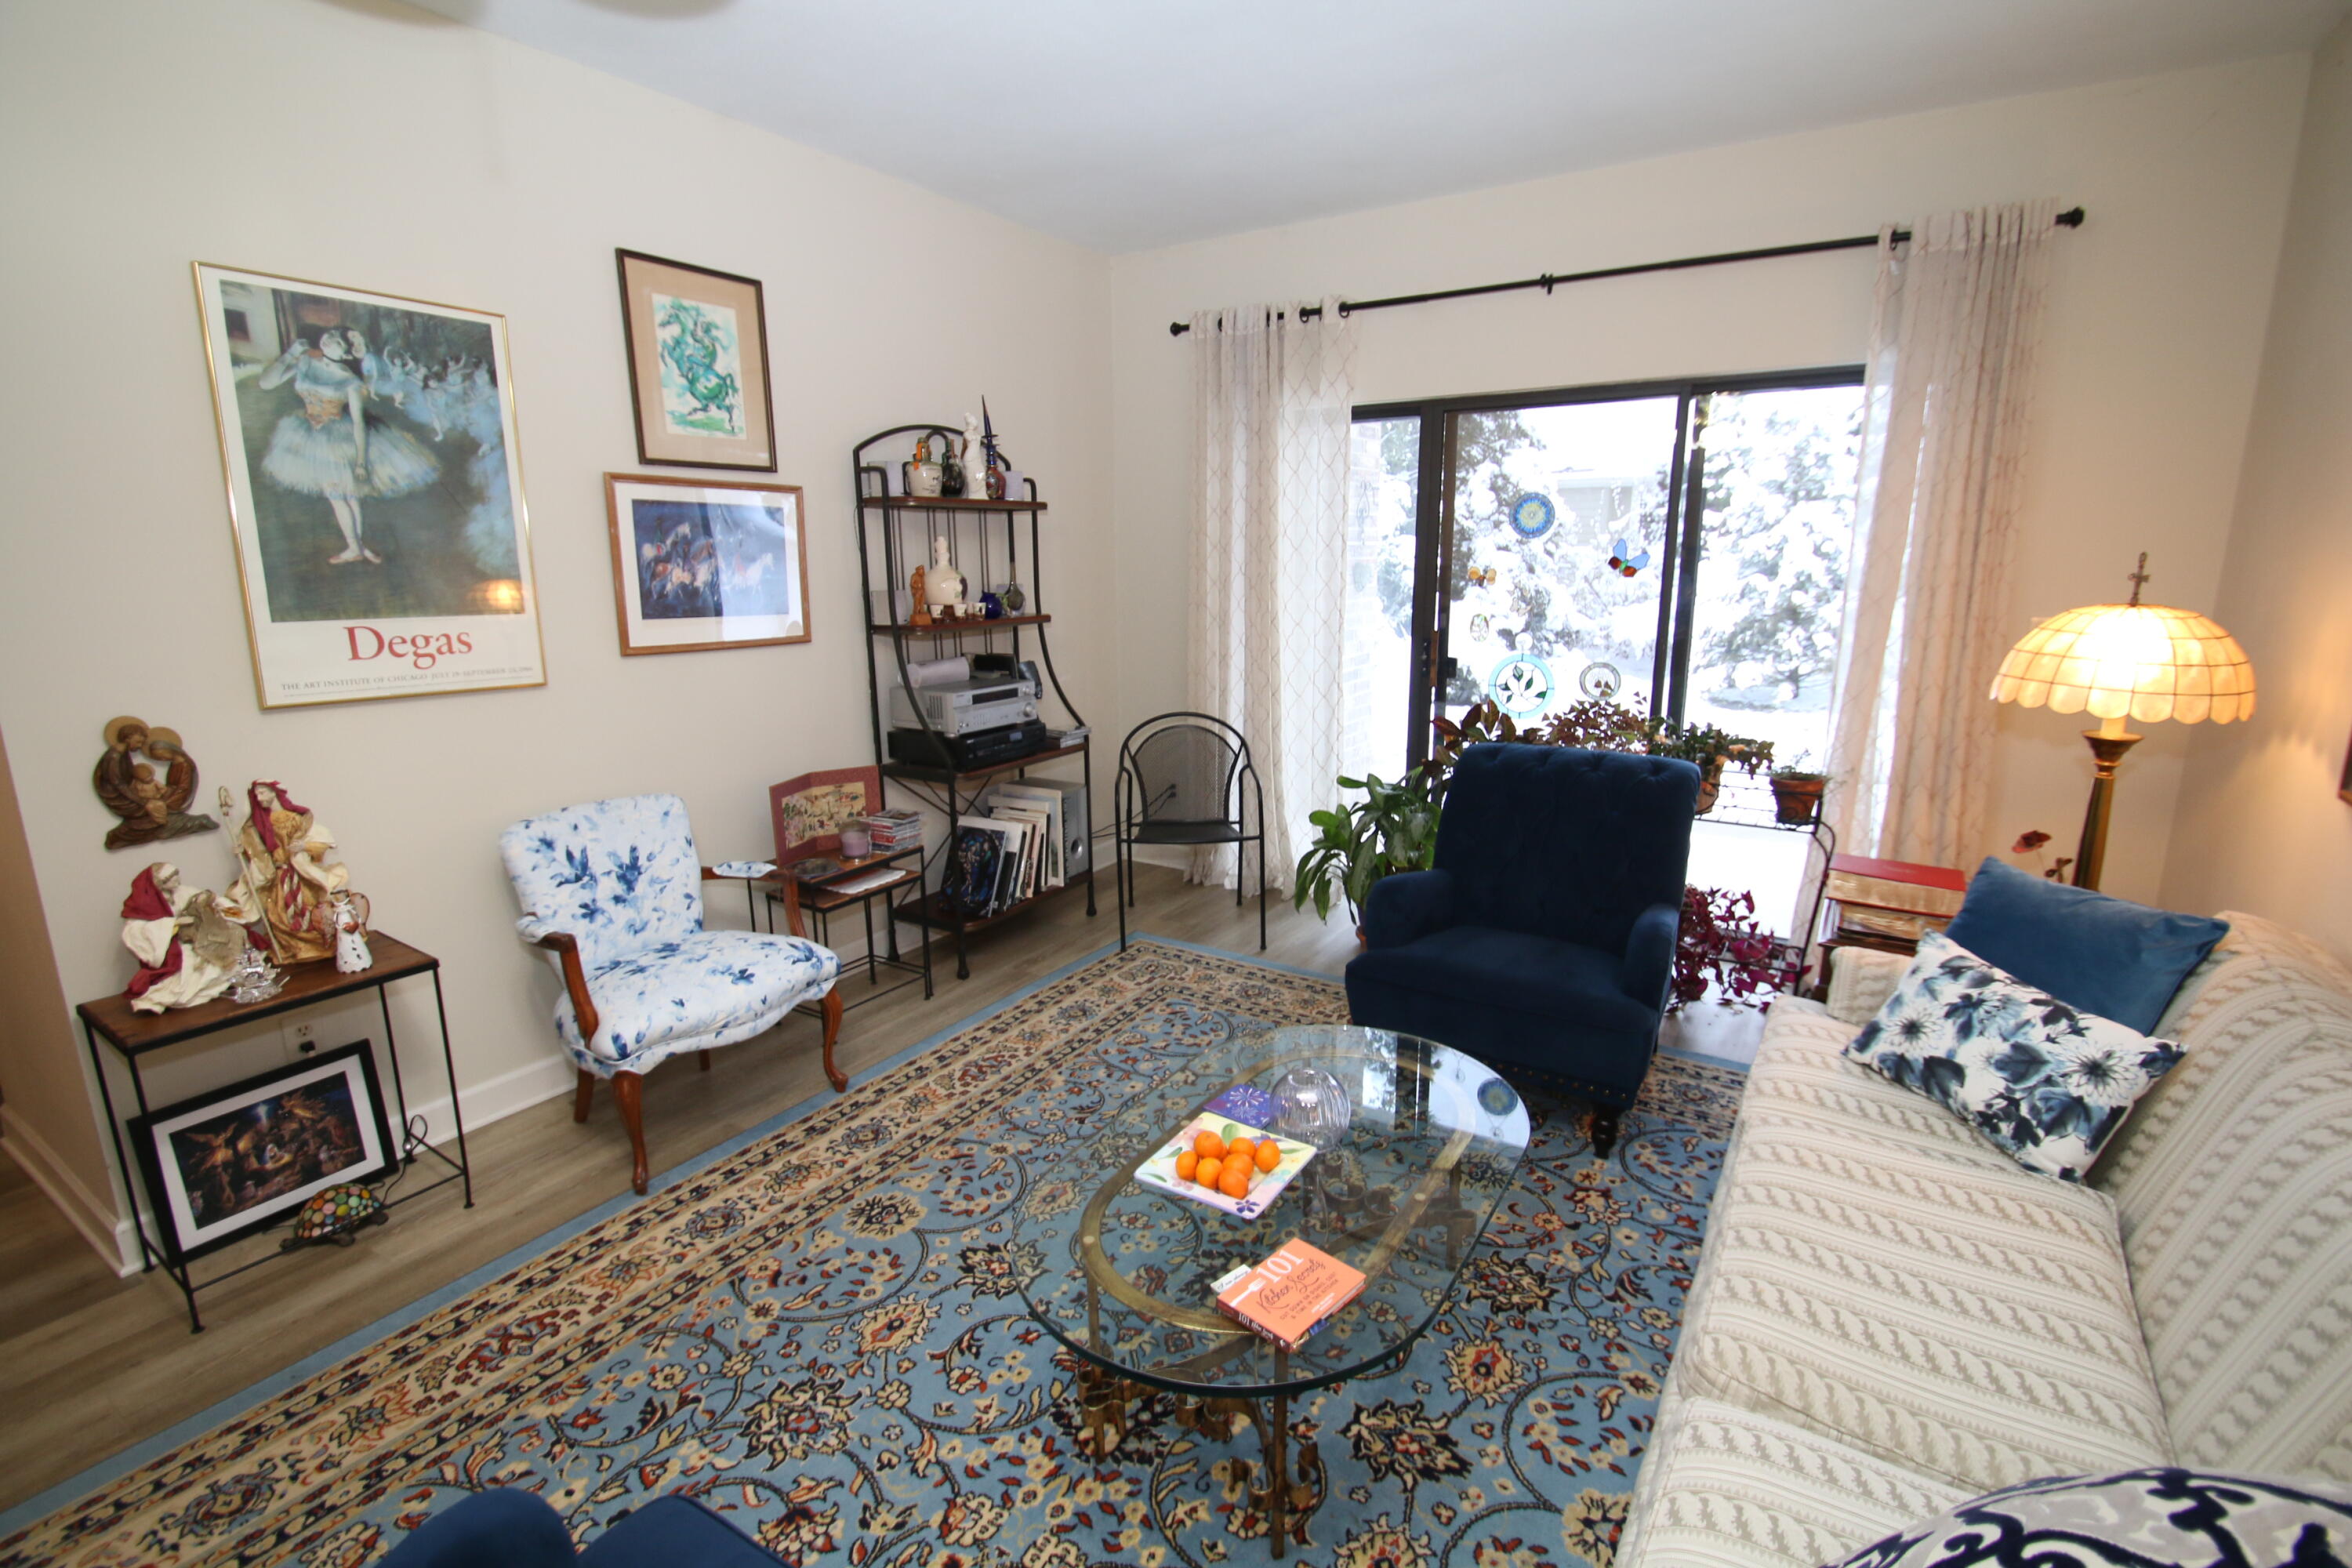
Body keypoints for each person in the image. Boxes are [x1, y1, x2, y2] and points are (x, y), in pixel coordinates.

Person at [255, 328, 438, 564]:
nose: (341, 344)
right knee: (345, 495)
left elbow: (358, 422)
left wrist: (361, 461)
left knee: (343, 495)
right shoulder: (306, 363)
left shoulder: (350, 381)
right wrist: (290, 353)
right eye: (339, 339)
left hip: (339, 439)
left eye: (346, 343)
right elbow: (266, 383)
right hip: (308, 432)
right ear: (324, 341)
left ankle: (354, 548)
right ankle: (358, 547)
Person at [221, 781, 352, 964]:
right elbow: (257, 850)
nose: (260, 799)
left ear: (274, 792)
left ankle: (316, 946)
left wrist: (304, 846)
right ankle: (291, 948)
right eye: (256, 796)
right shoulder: (259, 825)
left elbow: (318, 843)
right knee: (280, 915)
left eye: (263, 793)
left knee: (308, 910)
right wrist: (241, 848)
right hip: (279, 877)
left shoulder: (296, 819)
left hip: (299, 876)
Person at [120, 863, 243, 1013]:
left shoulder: (183, 892)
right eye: (171, 877)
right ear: (161, 883)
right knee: (189, 968)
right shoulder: (144, 903)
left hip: (198, 938)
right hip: (177, 946)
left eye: (177, 873)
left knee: (227, 951)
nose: (177, 879)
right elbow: (136, 931)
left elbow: (211, 900)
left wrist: (231, 911)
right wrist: (174, 924)